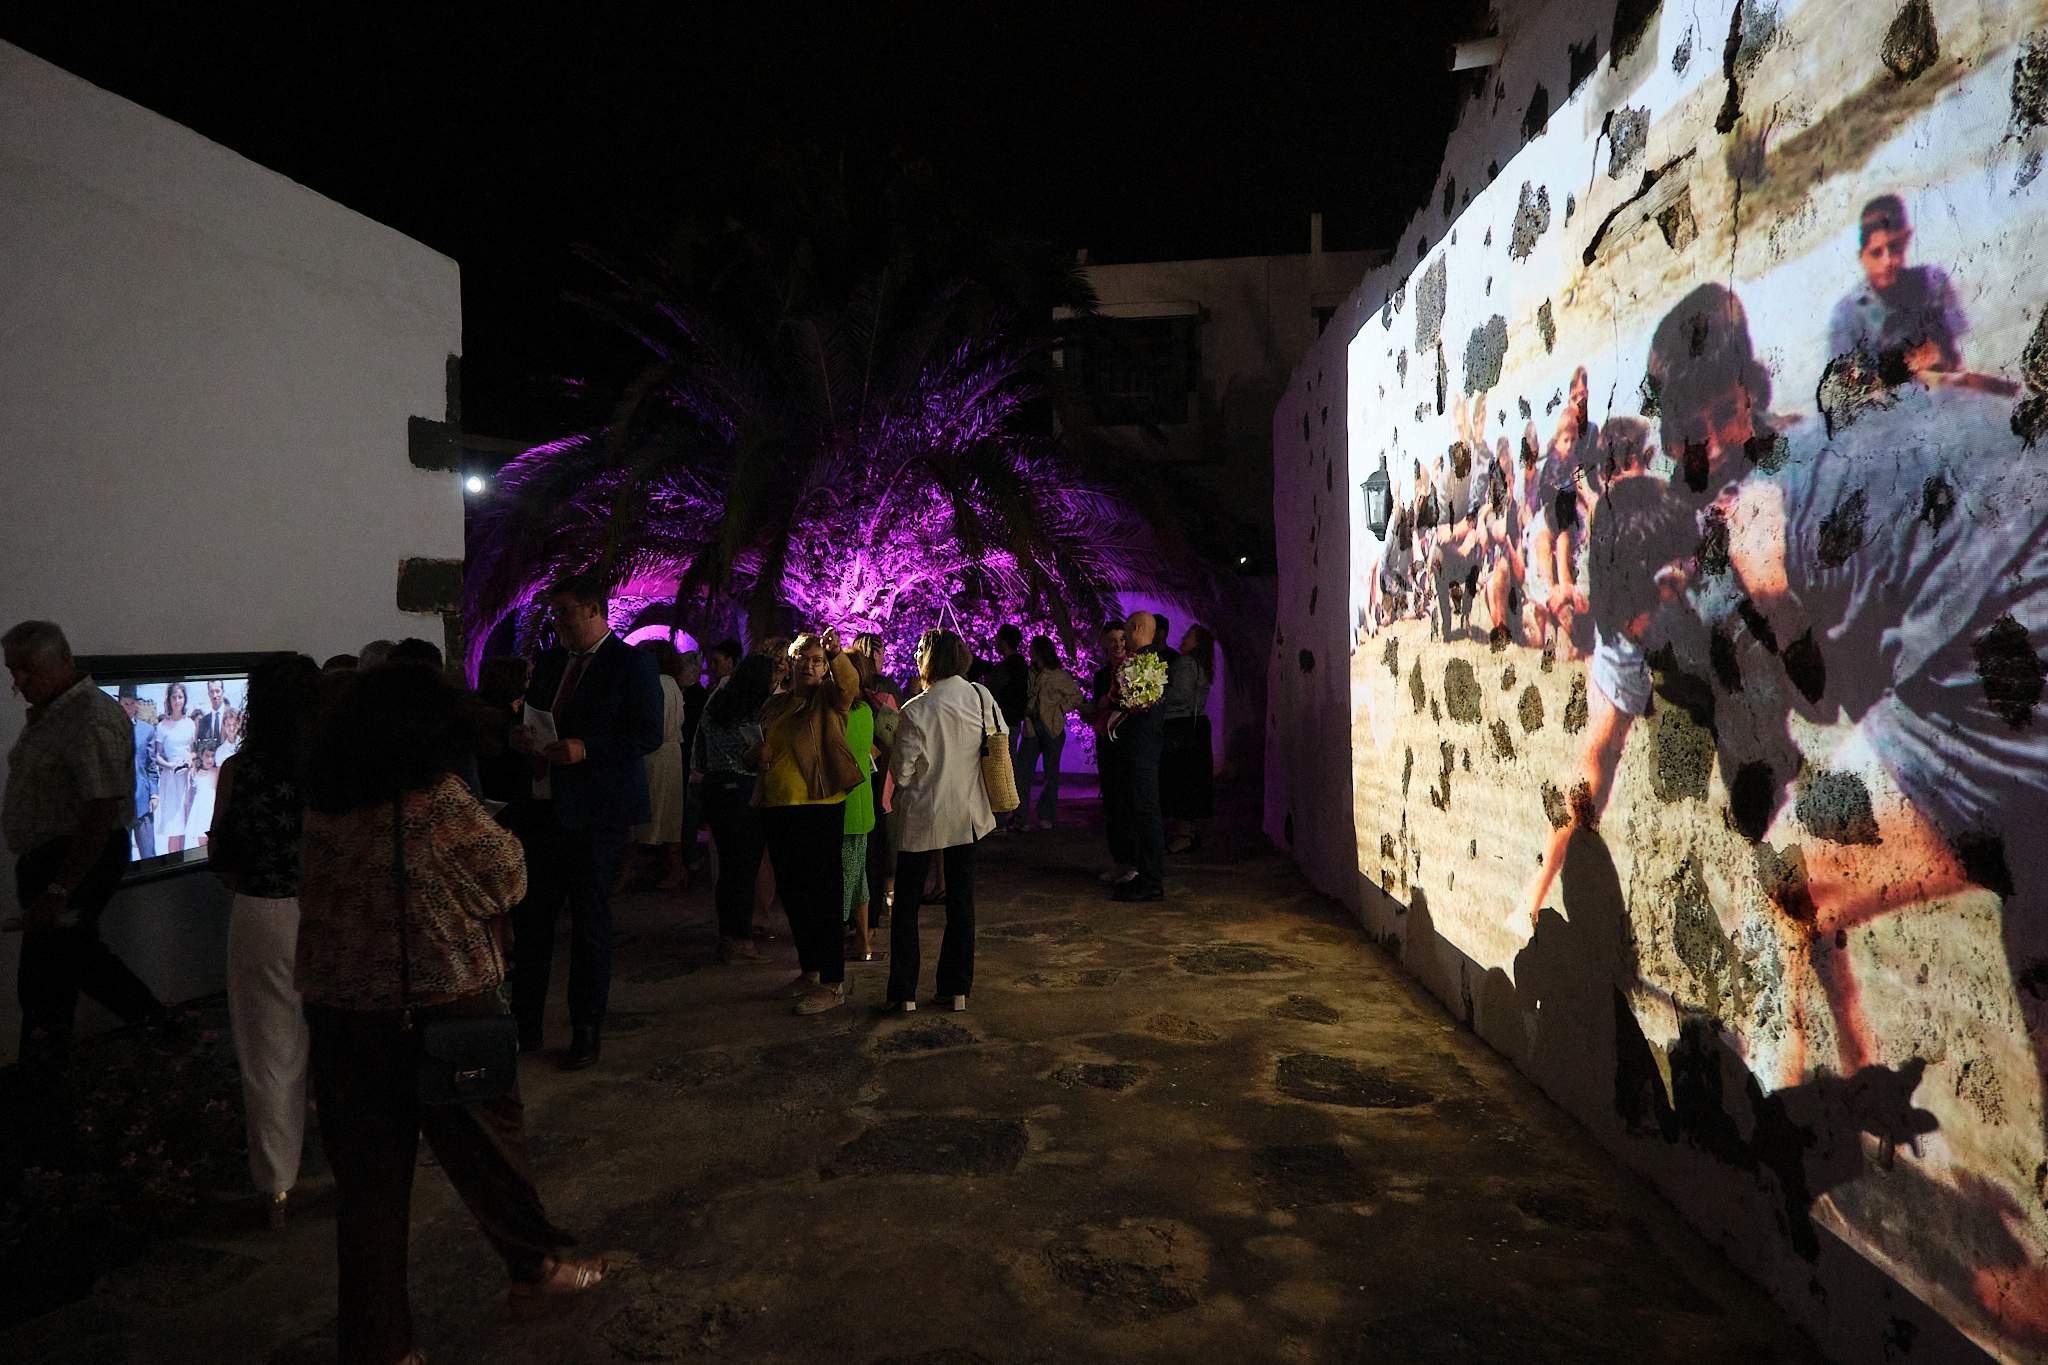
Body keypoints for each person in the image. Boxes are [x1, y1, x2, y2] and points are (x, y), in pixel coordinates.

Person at [298, 665, 604, 1365]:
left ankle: (381, 1345)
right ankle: (537, 1270)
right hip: (440, 1008)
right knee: (490, 1152)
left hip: (341, 1017)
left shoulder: (325, 803)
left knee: (369, 1191)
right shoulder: (434, 802)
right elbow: (511, 875)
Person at [4, 622, 174, 1076]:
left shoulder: (89, 718)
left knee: (52, 971)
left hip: (74, 858)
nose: (19, 681)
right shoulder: (55, 713)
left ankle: (44, 1079)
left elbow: (101, 808)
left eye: (28, 669)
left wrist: (61, 886)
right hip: (55, 859)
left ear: (62, 660)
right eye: (12, 671)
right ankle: (158, 1030)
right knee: (69, 962)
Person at [509, 573, 664, 1070]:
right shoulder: (553, 663)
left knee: (590, 922)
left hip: (597, 812)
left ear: (595, 611)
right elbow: (537, 713)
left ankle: (586, 1028)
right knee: (533, 920)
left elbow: (647, 733)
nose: (558, 624)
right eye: (555, 614)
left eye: (566, 613)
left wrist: (587, 749)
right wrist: (524, 737)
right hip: (545, 806)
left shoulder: (631, 664)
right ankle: (524, 1023)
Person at [208, 652, 320, 1229]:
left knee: (268, 1053)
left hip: (261, 911)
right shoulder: (332, 765)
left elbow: (221, 854)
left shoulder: (240, 767)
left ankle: (276, 1187)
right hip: (329, 912)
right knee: (334, 1042)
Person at [887, 629, 1003, 1012]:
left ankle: (903, 993)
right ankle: (956, 988)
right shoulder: (980, 696)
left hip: (923, 814)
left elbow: (902, 773)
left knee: (906, 904)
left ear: (931, 658)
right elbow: (998, 739)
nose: (915, 654)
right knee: (961, 902)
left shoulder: (915, 709)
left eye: (919, 649)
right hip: (967, 813)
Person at [755, 632, 862, 1014]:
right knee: (793, 891)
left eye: (817, 659)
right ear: (791, 661)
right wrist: (756, 754)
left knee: (823, 894)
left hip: (818, 805)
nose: (810, 664)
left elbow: (850, 684)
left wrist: (837, 654)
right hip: (778, 804)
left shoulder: (829, 699)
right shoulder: (777, 703)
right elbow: (757, 744)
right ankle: (810, 969)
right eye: (803, 657)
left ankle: (833, 982)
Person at [1827, 193, 1967, 380]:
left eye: (1894, 247)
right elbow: (1841, 386)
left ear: (1907, 238)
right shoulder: (1847, 315)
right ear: (1862, 257)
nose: (1888, 261)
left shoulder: (1933, 281)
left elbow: (1955, 351)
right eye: (1877, 253)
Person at [693, 654, 774, 962]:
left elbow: (700, 748)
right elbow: (753, 756)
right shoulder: (752, 711)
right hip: (742, 789)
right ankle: (741, 939)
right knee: (744, 868)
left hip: (714, 788)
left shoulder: (716, 704)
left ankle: (727, 936)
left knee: (727, 868)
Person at [1104, 611, 1175, 903]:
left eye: (1127, 631)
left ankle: (1150, 880)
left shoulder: (1145, 662)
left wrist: (1114, 710)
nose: (1125, 638)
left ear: (1137, 628)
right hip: (1144, 747)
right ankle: (1146, 876)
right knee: (1142, 812)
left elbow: (1136, 703)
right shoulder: (1151, 660)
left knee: (1146, 813)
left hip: (1141, 748)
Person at [630, 639, 688, 891]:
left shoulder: (657, 683)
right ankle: (672, 868)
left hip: (655, 754)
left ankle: (668, 869)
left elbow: (656, 724)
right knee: (668, 814)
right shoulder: (672, 683)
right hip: (668, 754)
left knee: (654, 812)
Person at [1011, 636, 1082, 832]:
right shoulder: (1031, 673)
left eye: (1033, 648)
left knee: (1050, 775)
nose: (1029, 651)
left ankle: (1045, 816)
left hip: (1051, 727)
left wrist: (1060, 709)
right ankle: (1021, 817)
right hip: (1032, 727)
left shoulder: (1057, 675)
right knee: (1023, 773)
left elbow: (1076, 695)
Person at [1162, 625, 1216, 854]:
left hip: (1180, 726)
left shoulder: (1185, 664)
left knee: (1180, 780)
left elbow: (1180, 695)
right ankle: (1188, 832)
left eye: (1188, 637)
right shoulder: (1203, 666)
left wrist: (1156, 694)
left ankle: (1182, 835)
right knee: (1192, 781)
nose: (1183, 638)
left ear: (1197, 643)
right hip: (1195, 726)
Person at [1090, 619, 1135, 884]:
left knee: (1129, 805)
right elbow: (1099, 709)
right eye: (1112, 640)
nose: (1117, 645)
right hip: (1107, 745)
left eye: (1121, 639)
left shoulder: (1134, 671)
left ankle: (1133, 861)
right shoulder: (1100, 675)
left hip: (1128, 746)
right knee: (1112, 805)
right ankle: (1120, 860)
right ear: (1105, 644)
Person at [840, 668, 878, 961]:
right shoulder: (865, 709)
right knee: (859, 878)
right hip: (863, 805)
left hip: (844, 808)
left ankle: (837, 938)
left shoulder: (842, 716)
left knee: (845, 880)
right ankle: (863, 941)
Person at [152, 680, 199, 853]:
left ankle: (184, 862)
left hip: (186, 779)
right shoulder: (162, 726)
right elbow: (156, 755)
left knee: (186, 824)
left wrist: (190, 759)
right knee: (174, 826)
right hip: (170, 780)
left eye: (180, 697)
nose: (177, 701)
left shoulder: (190, 724)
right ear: (169, 700)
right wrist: (170, 765)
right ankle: (173, 861)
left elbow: (195, 752)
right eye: (174, 697)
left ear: (184, 700)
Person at [116, 684, 158, 860]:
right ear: (119, 703)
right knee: (122, 858)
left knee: (149, 855)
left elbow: (151, 766)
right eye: (126, 703)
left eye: (133, 703)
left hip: (142, 803)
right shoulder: (110, 730)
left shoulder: (146, 730)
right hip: (119, 805)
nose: (130, 708)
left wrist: (154, 794)